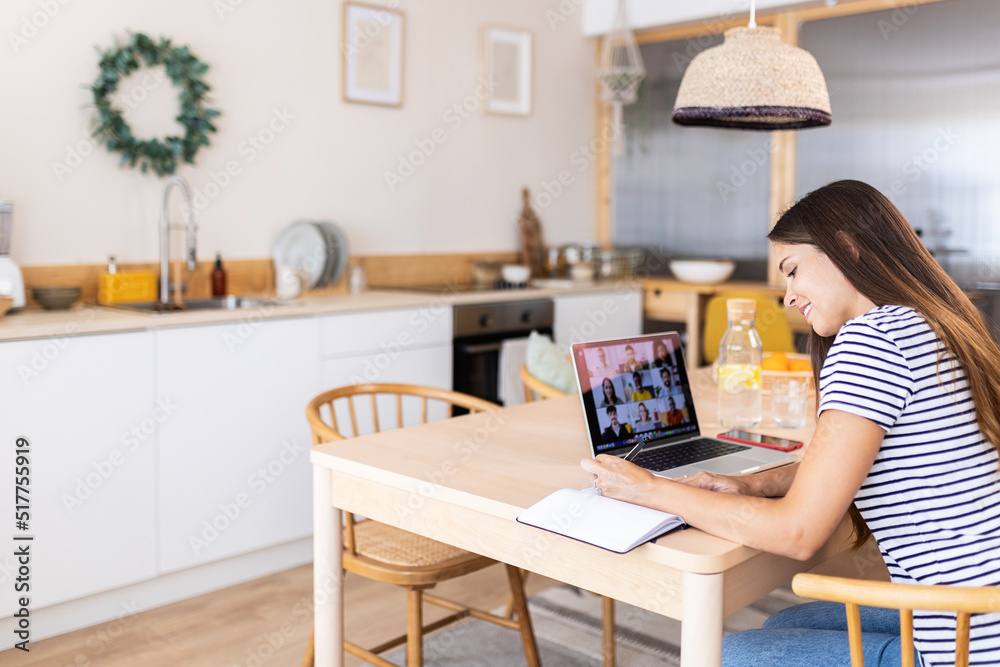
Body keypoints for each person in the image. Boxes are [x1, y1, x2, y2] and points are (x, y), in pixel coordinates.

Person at [581, 180, 1000, 667]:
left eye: (793, 271)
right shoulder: (930, 321)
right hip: (982, 608)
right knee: (783, 625)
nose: (788, 297)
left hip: (967, 644)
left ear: (846, 247)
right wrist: (753, 486)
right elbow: (863, 459)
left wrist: (648, 490)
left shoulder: (872, 339)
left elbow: (798, 534)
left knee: (731, 656)